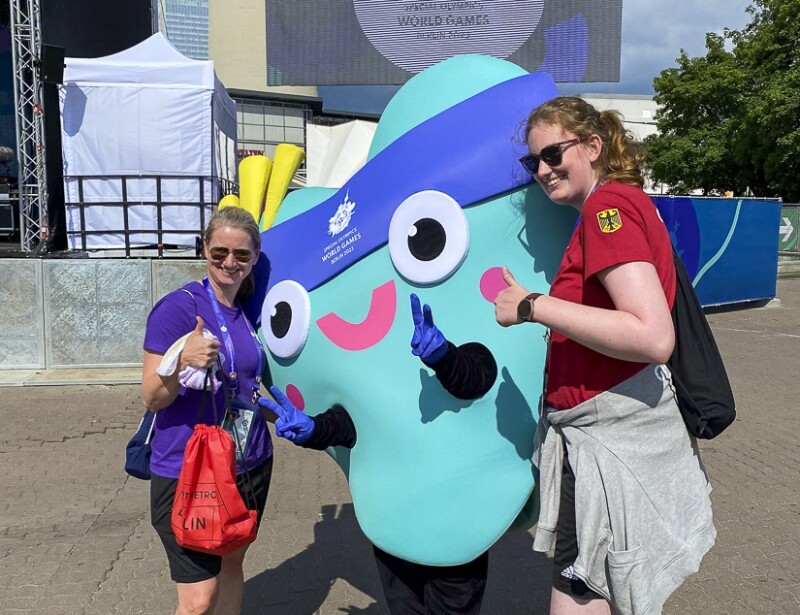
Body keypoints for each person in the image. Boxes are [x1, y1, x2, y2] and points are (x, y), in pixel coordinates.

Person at [493, 96, 716, 614]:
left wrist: (532, 305)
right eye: (533, 162)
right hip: (603, 435)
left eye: (553, 154)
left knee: (581, 593)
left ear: (593, 147)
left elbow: (650, 335)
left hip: (606, 441)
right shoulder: (614, 206)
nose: (543, 170)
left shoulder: (608, 208)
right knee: (603, 588)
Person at [259, 293, 496, 615]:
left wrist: (444, 357)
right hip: (392, 509)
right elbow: (349, 424)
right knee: (404, 606)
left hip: (455, 509)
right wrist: (313, 429)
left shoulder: (469, 326)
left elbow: (477, 378)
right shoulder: (367, 360)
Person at [141, 207, 273, 615]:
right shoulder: (179, 309)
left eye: (241, 255)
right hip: (188, 468)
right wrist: (183, 363)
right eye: (219, 253)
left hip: (248, 462)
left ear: (254, 257)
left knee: (233, 562)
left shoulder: (248, 312)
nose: (229, 263)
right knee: (199, 600)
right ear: (204, 249)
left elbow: (245, 387)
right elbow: (151, 397)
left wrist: (288, 417)